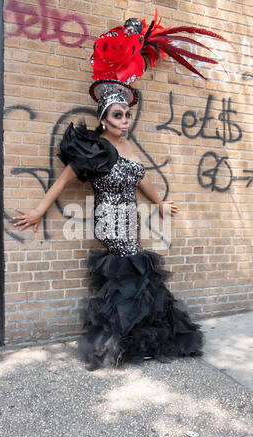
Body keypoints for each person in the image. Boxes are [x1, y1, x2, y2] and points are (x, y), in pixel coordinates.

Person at [12, 12, 229, 369]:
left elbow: (139, 177)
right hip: (110, 219)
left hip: (129, 218)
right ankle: (118, 342)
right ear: (103, 118)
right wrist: (38, 211)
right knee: (133, 272)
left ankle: (133, 338)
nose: (124, 122)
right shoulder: (94, 149)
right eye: (117, 116)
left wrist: (159, 202)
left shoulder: (128, 147)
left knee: (133, 273)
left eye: (127, 116)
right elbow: (64, 180)